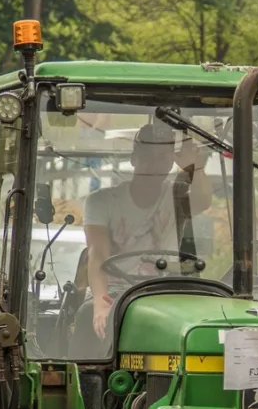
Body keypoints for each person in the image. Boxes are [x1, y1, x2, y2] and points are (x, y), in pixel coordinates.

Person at [83, 120, 212, 339]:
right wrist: (100, 302)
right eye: (147, 156)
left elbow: (202, 202)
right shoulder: (102, 201)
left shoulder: (176, 195)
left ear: (172, 161)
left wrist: (195, 167)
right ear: (134, 159)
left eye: (163, 157)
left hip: (165, 290)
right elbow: (97, 254)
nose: (155, 164)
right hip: (116, 291)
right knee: (89, 320)